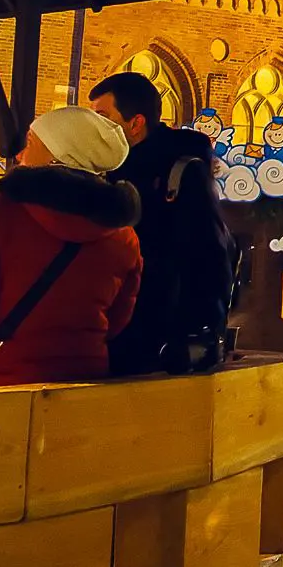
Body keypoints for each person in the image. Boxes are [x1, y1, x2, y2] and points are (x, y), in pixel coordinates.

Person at [0, 107, 142, 387]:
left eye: (30, 143)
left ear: (57, 154)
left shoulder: (3, 214)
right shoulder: (124, 237)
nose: (19, 154)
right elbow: (117, 319)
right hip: (83, 384)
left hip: (1, 384)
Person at [89, 72, 235, 376]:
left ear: (136, 123)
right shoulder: (101, 173)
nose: (95, 127)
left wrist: (201, 334)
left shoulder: (181, 172)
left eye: (103, 116)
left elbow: (210, 255)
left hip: (159, 341)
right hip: (107, 333)